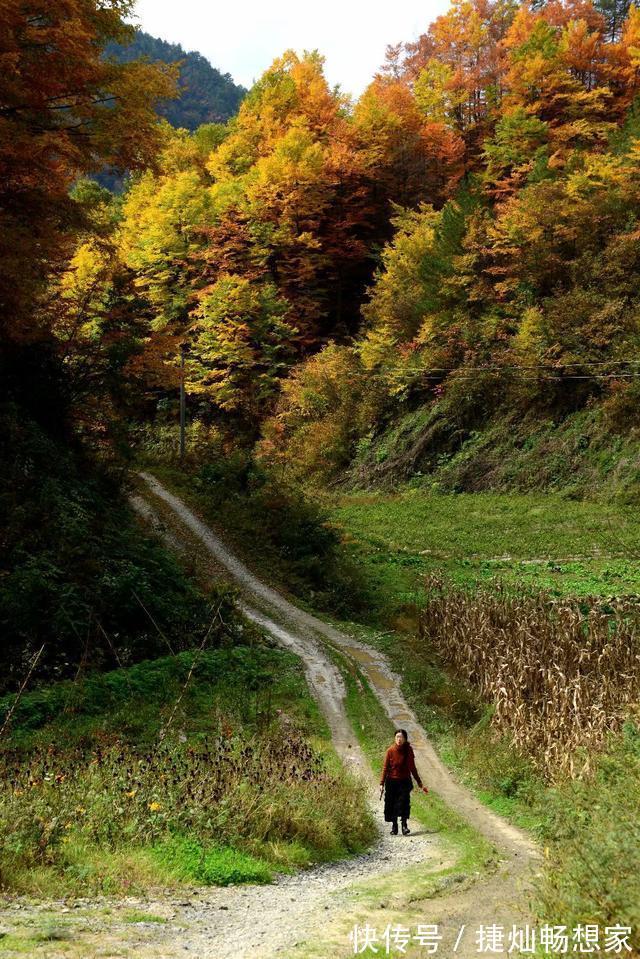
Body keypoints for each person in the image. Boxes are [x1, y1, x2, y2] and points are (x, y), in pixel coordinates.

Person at [379, 728, 428, 835]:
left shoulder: (408, 750)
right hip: (392, 781)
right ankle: (394, 826)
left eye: (401, 737)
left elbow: (412, 767)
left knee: (404, 802)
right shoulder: (390, 751)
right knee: (391, 803)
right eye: (397, 737)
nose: (399, 739)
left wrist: (419, 782)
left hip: (404, 781)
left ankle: (404, 825)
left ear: (405, 739)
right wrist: (381, 783)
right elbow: (385, 767)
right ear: (394, 738)